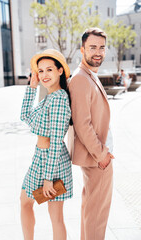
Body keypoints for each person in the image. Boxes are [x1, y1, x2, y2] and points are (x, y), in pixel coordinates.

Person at [20, 49, 73, 240]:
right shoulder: (49, 97)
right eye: (40, 71)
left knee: (55, 216)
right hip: (39, 158)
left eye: (49, 69)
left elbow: (56, 141)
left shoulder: (59, 99)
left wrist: (48, 178)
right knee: (25, 201)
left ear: (60, 71)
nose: (44, 75)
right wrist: (31, 88)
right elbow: (25, 116)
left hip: (53, 162)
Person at [68, 28, 114, 240]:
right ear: (82, 49)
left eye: (102, 47)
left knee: (91, 212)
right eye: (93, 47)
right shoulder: (80, 78)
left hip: (98, 157)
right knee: (97, 216)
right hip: (97, 159)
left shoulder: (88, 75)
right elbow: (82, 124)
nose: (98, 52)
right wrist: (101, 154)